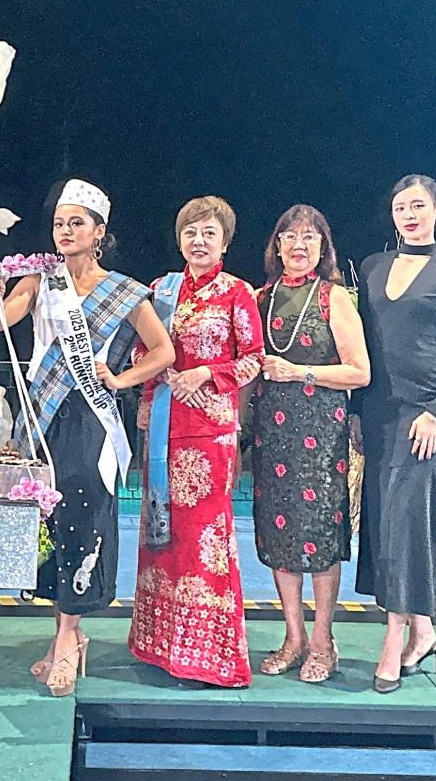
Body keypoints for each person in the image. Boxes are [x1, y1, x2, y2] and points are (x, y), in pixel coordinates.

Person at [0, 178, 175, 697]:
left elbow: (163, 353)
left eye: (77, 223)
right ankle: (64, 633)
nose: (65, 231)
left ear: (99, 232)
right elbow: (4, 322)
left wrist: (119, 380)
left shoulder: (125, 291)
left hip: (91, 417)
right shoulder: (40, 280)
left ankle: (69, 637)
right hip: (43, 416)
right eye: (59, 223)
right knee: (46, 518)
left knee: (84, 512)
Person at [128, 196, 264, 689]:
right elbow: (142, 349)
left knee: (205, 543)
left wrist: (207, 372)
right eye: (190, 232)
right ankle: (159, 646)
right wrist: (154, 379)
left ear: (225, 241)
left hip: (209, 436)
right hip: (162, 431)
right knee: (160, 537)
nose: (199, 241)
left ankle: (209, 654)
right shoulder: (159, 290)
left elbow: (253, 358)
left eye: (209, 232)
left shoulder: (237, 293)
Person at [354, 174, 436, 693]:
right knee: (385, 525)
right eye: (400, 206)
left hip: (423, 414)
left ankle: (392, 641)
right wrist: (356, 415)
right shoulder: (371, 267)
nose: (409, 214)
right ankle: (423, 631)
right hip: (377, 413)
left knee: (407, 523)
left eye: (419, 206)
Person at [251, 205, 369, 683]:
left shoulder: (333, 298)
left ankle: (324, 641)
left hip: (320, 437)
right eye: (289, 236)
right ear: (276, 245)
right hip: (271, 436)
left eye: (309, 238)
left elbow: (360, 371)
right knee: (278, 537)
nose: (299, 246)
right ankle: (293, 637)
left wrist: (302, 373)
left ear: (323, 248)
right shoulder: (260, 298)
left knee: (319, 537)